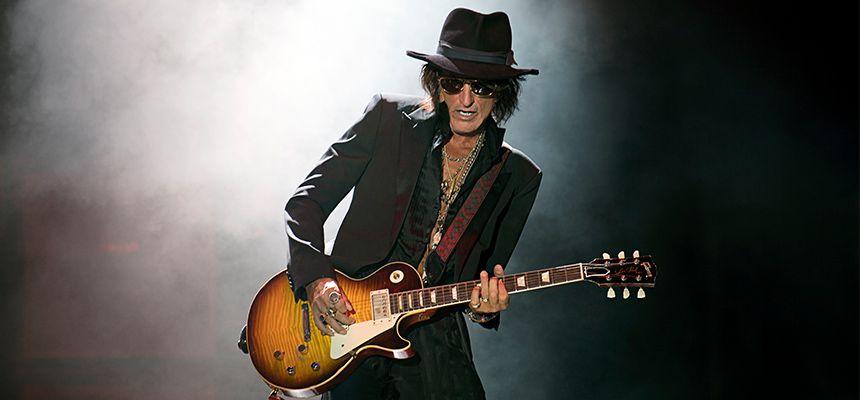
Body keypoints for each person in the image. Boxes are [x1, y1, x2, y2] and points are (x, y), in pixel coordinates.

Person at [284, 8, 541, 399]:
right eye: (454, 83)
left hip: (434, 344)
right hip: (352, 323)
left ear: (501, 92)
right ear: (436, 82)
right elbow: (306, 203)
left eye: (483, 88)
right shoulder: (387, 119)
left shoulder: (517, 175)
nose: (467, 100)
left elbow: (485, 280)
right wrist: (318, 280)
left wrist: (483, 308)